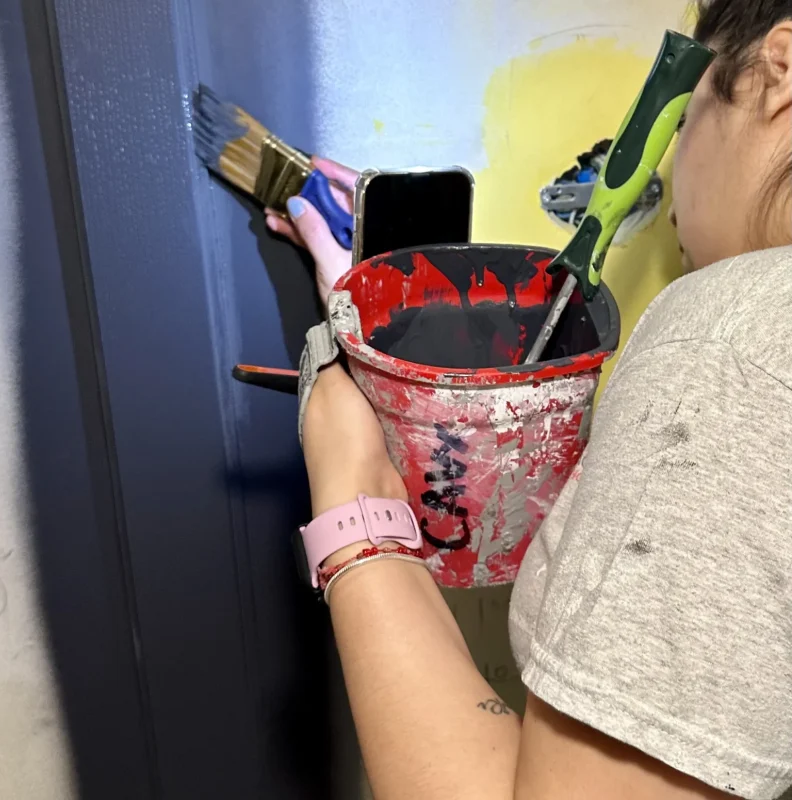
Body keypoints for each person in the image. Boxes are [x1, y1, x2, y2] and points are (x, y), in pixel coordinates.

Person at [268, 1, 792, 797]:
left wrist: (353, 494)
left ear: (777, 70)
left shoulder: (732, 338)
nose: (668, 169)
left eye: (684, 116)